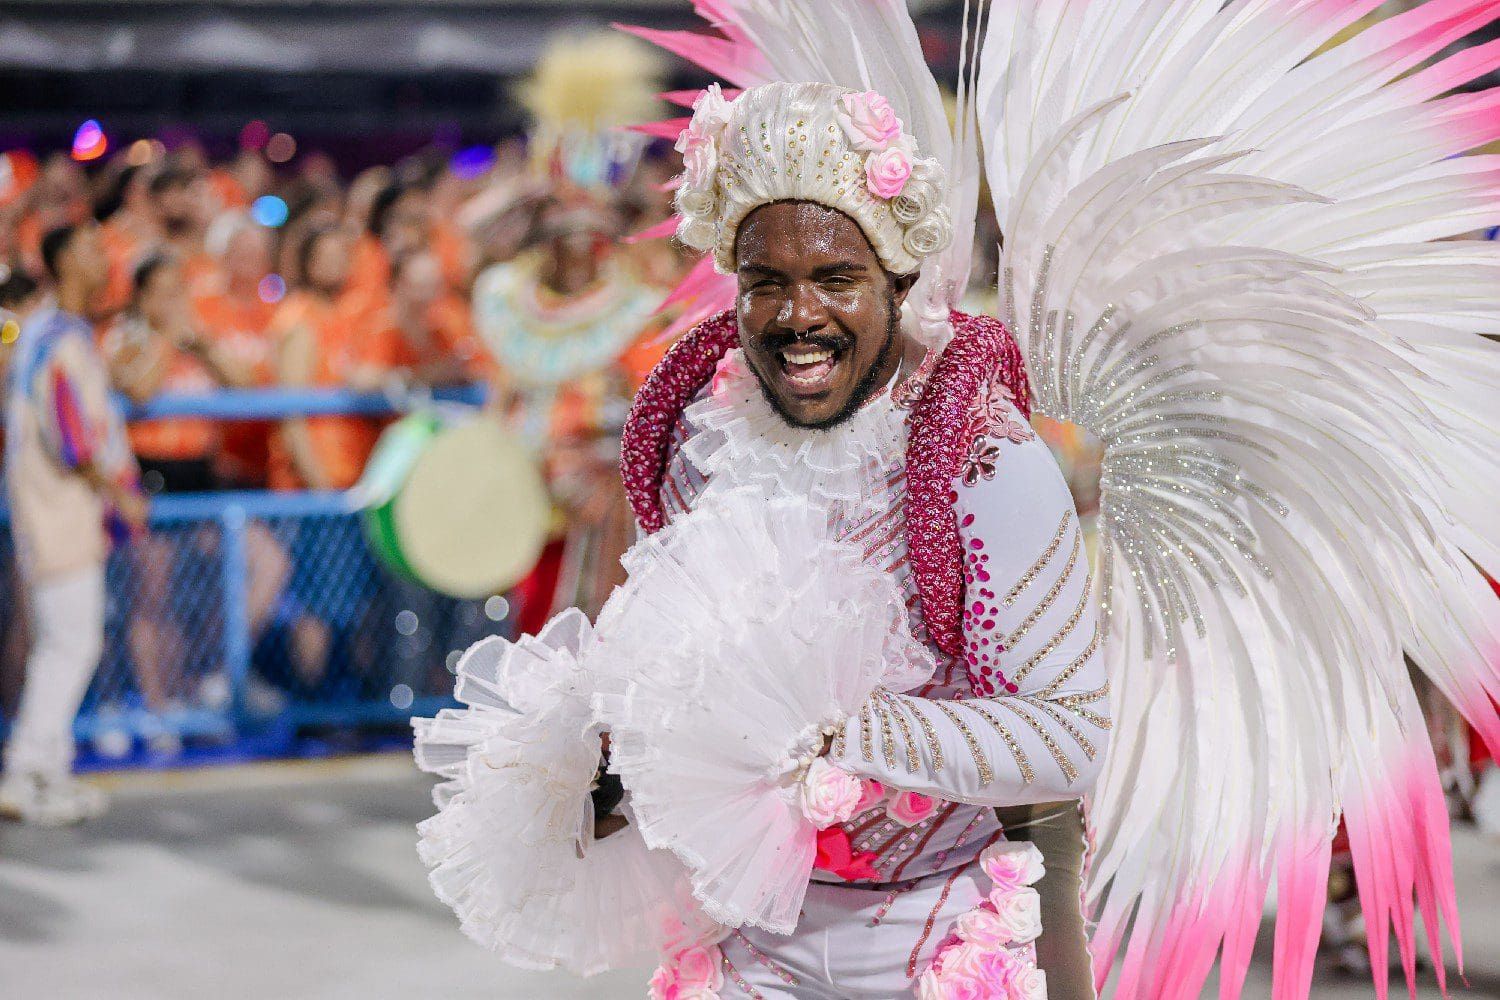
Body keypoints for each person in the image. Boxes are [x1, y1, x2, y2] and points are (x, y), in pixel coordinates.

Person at [0, 223, 146, 824]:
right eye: (89, 251)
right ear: (61, 264)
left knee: (62, 643)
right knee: (70, 643)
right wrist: (119, 493)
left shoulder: (58, 333)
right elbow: (72, 439)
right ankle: (27, 770)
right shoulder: (56, 338)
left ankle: (46, 773)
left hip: (55, 511)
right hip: (57, 512)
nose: (102, 260)